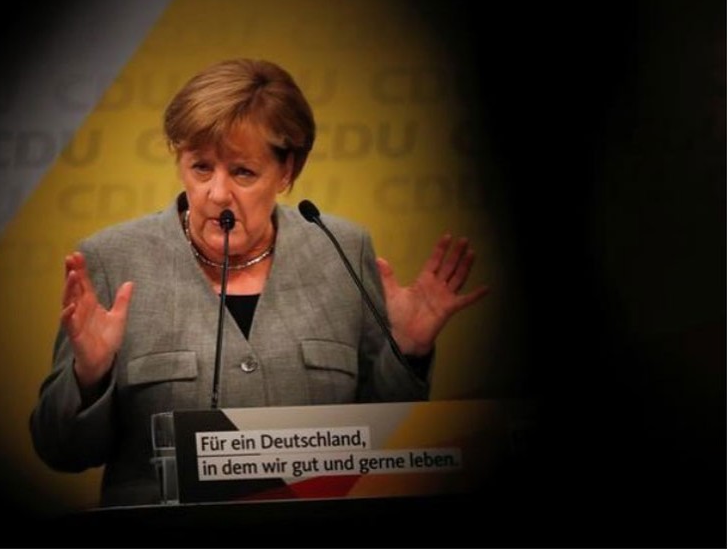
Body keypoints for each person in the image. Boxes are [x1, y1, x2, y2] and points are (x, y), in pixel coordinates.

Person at [30, 58, 489, 506]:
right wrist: (87, 377)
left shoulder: (343, 250)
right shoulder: (113, 260)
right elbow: (62, 452)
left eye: (243, 172)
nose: (217, 193)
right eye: (201, 167)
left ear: (287, 171)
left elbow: (381, 442)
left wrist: (405, 352)